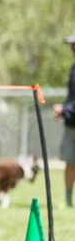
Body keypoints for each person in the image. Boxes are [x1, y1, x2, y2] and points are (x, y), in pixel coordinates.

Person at [52, 33, 75, 207]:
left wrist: (65, 109)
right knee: (70, 162)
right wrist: (64, 109)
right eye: (71, 45)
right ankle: (68, 201)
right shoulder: (74, 68)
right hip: (70, 125)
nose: (72, 48)